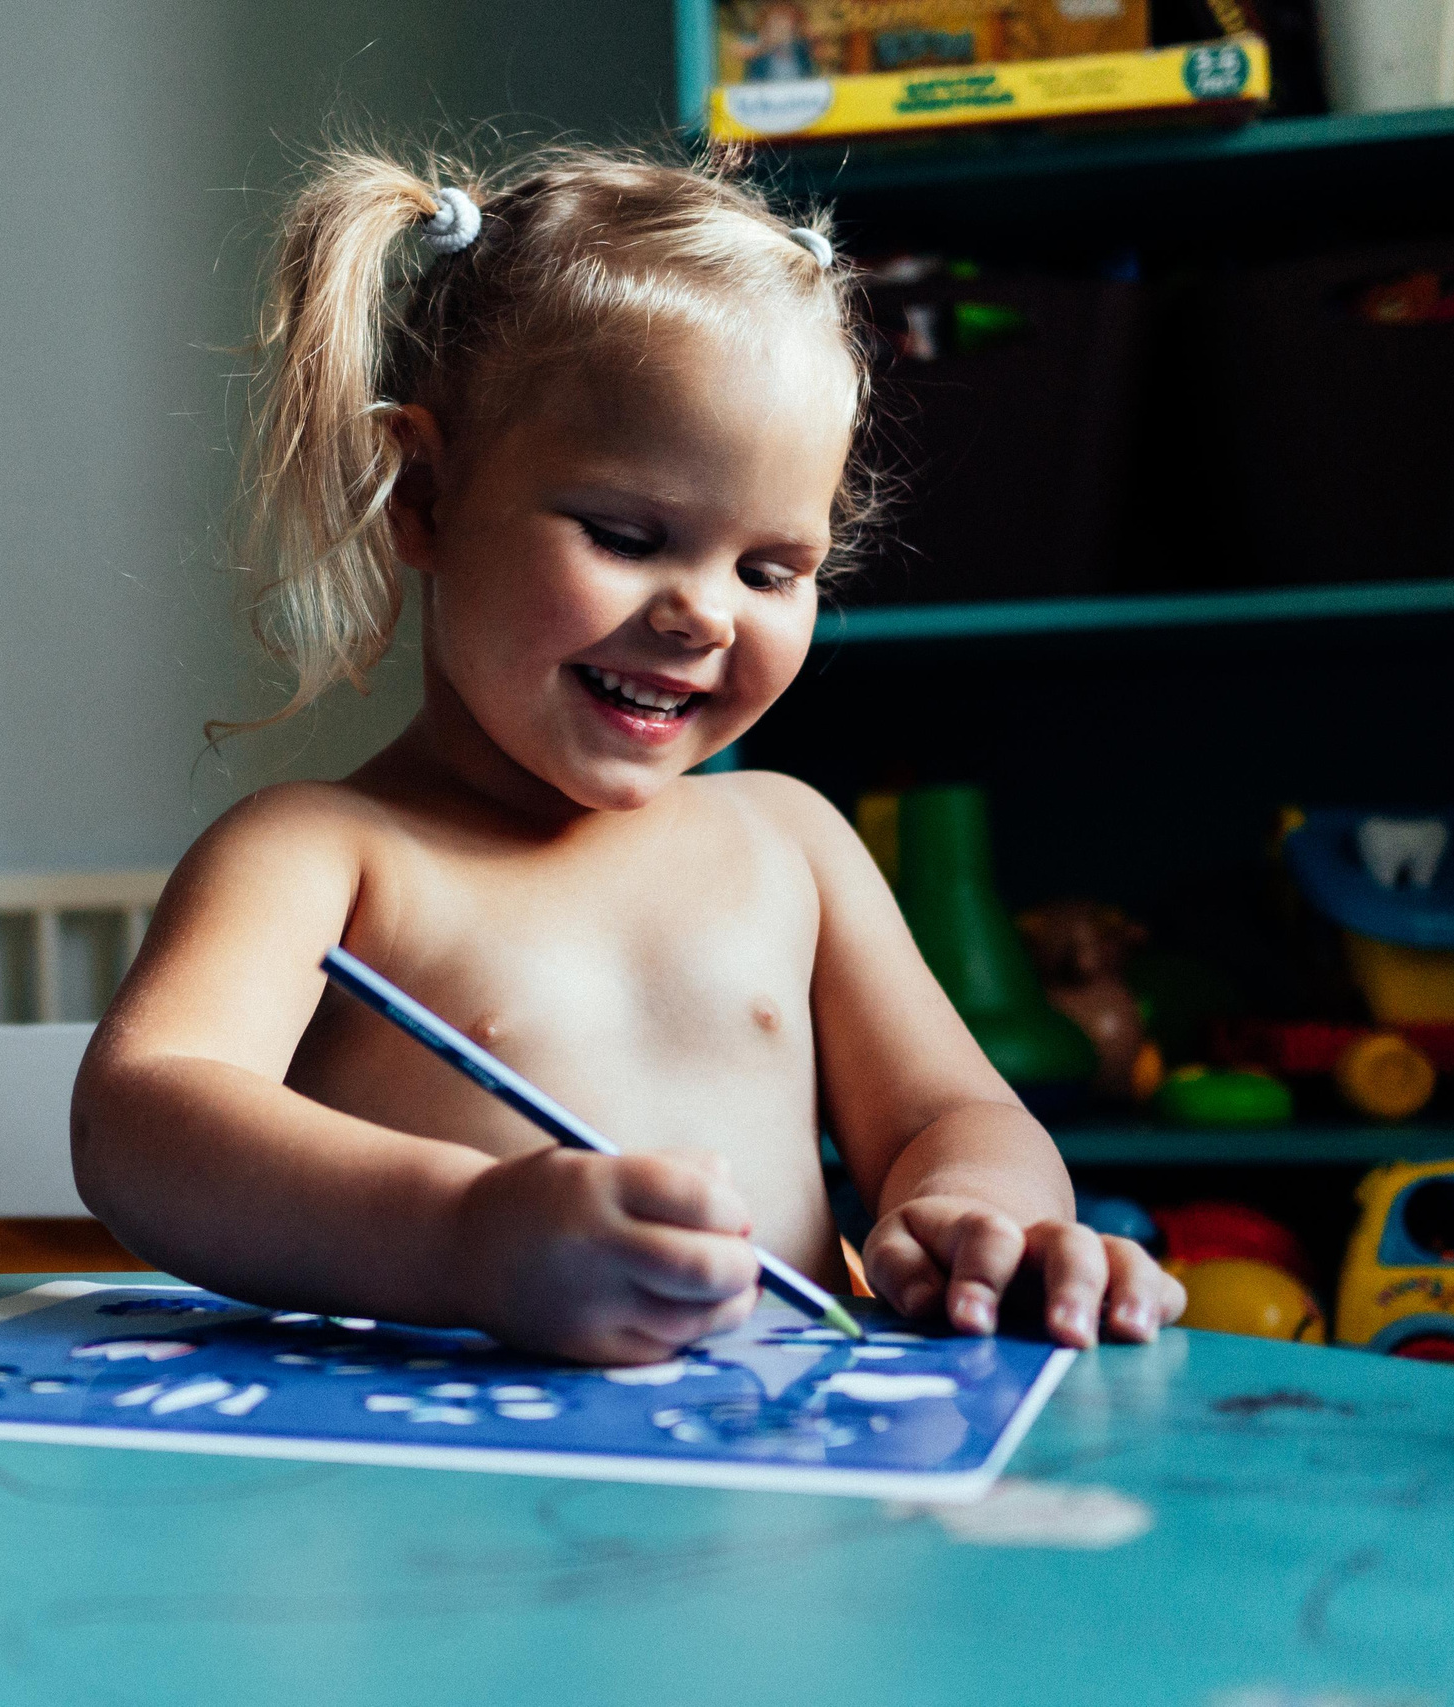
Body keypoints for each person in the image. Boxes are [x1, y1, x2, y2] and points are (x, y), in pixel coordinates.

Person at [71, 142, 1185, 1364]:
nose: (705, 613)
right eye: (624, 533)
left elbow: (950, 1114)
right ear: (426, 496)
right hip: (445, 1515)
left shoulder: (794, 844)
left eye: (771, 569)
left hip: (785, 1507)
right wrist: (467, 1237)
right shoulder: (316, 857)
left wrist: (982, 1217)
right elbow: (144, 1124)